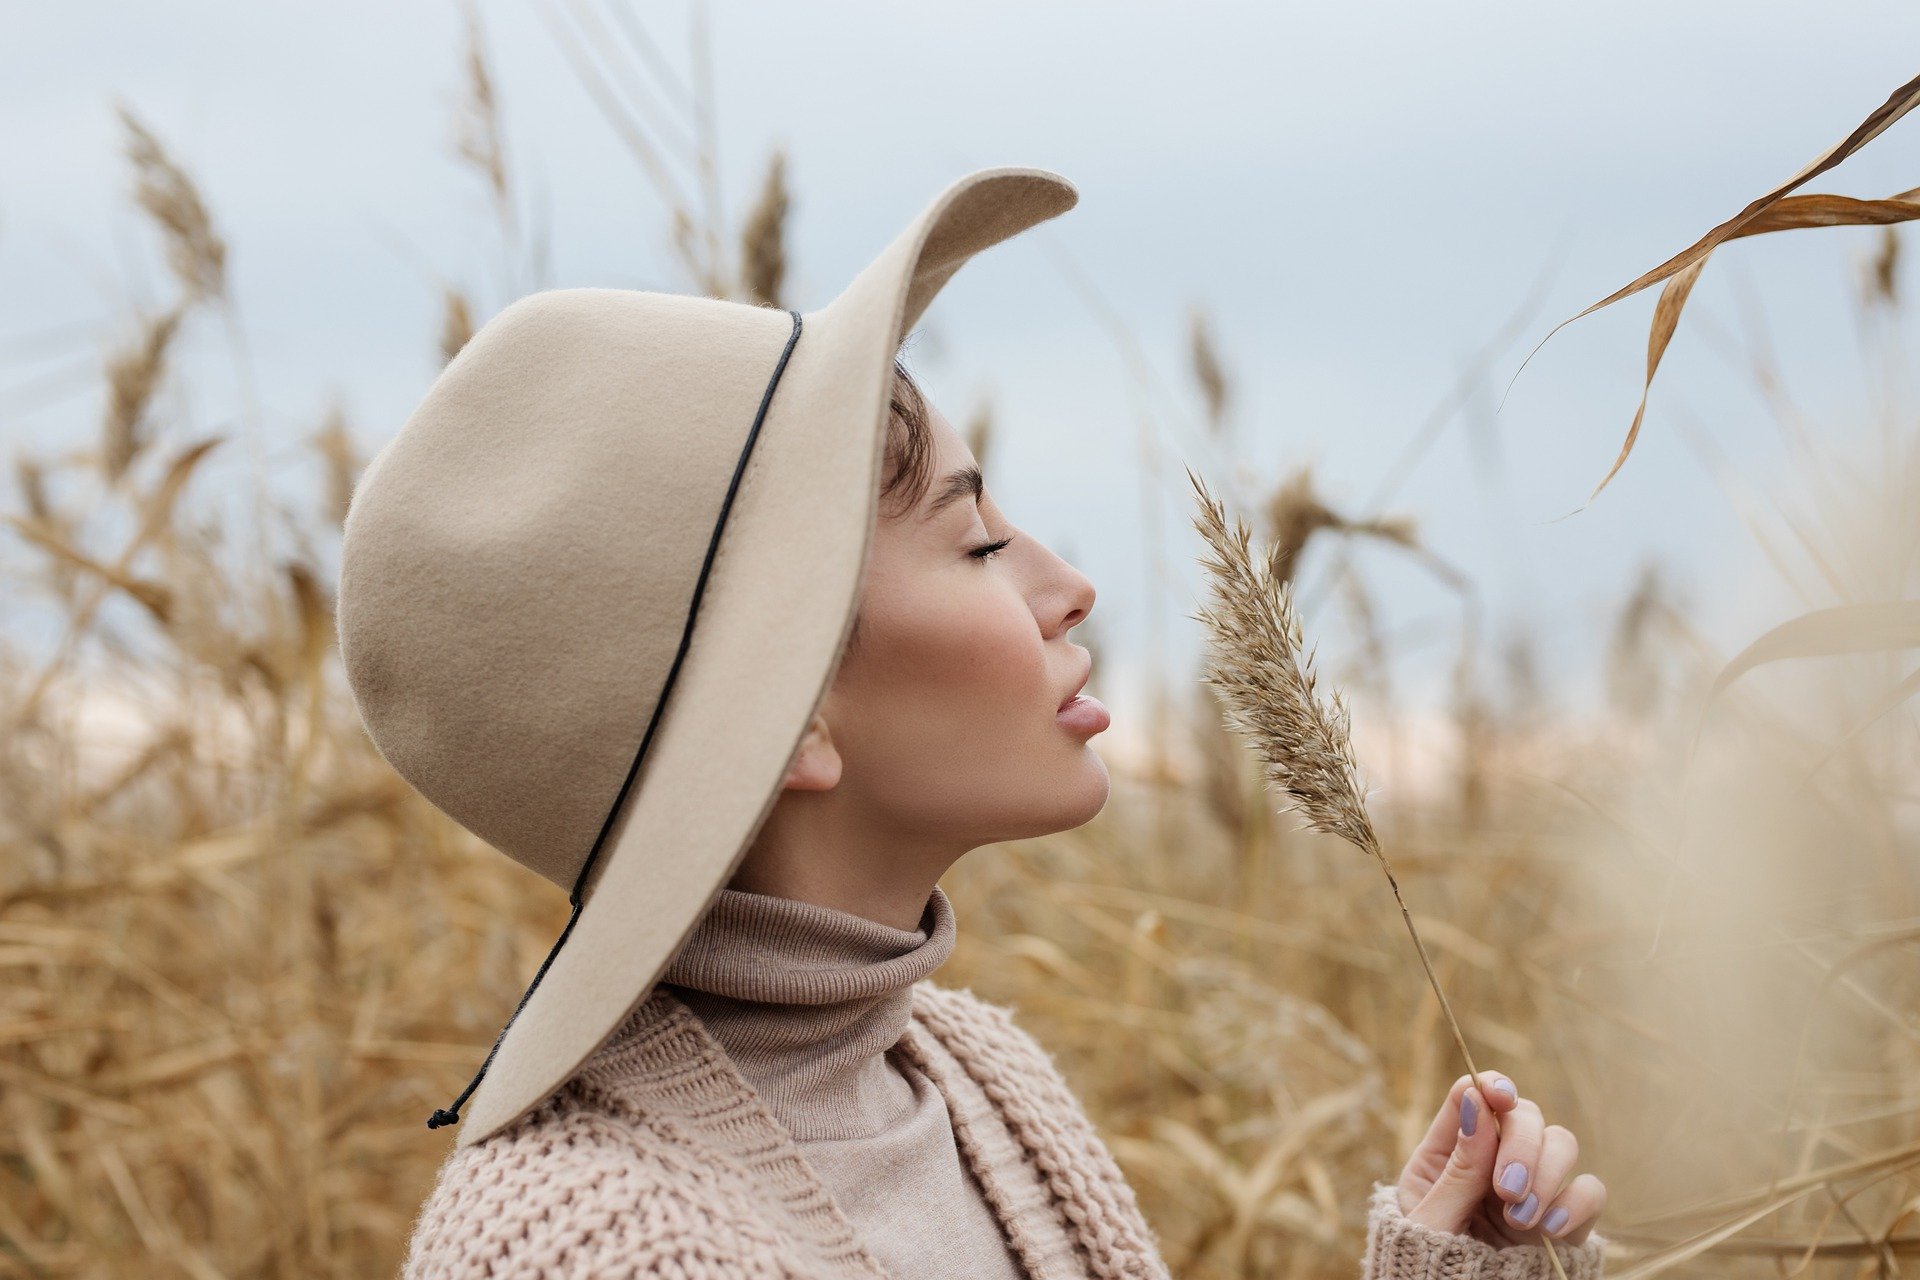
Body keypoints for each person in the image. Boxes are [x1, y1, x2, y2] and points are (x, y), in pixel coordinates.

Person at [336, 167, 1607, 1279]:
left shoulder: (969, 1073)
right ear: (792, 715)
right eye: (979, 540)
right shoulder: (594, 1243)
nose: (1067, 583)